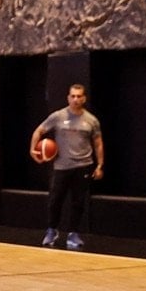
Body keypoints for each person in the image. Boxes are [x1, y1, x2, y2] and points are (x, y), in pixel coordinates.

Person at [29, 83, 104, 250]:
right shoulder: (58, 116)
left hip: (83, 165)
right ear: (68, 98)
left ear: (84, 98)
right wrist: (33, 149)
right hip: (61, 167)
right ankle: (52, 230)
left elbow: (98, 143)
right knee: (55, 200)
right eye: (73, 96)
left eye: (79, 96)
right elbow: (39, 131)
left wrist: (100, 165)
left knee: (78, 202)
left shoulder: (91, 120)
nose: (76, 99)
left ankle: (73, 234)